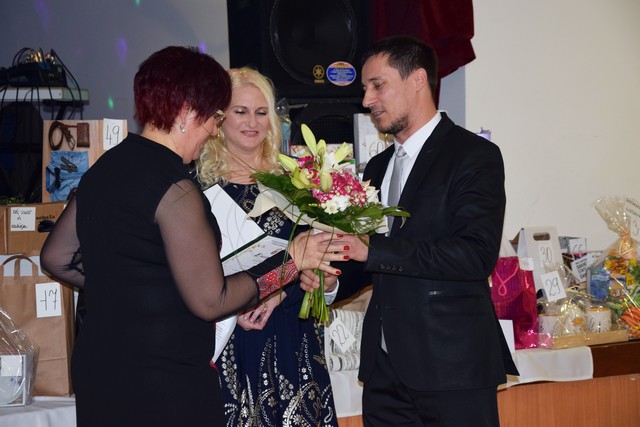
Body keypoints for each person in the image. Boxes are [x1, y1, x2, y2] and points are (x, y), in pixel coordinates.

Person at [39, 47, 342, 427]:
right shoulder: (177, 189)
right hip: (163, 377)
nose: (214, 129)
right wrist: (292, 262)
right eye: (214, 117)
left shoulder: (106, 167)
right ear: (186, 112)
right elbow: (212, 300)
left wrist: (135, 288)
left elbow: (56, 258)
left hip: (100, 368)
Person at [302, 35, 518, 426]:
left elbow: (475, 256)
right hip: (384, 372)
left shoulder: (473, 155)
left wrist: (372, 250)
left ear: (418, 80)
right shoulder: (377, 167)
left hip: (452, 366)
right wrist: (332, 282)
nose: (367, 100)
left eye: (377, 85)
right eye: (365, 88)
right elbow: (375, 261)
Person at [197, 66, 339, 426]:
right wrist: (235, 302)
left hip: (290, 333)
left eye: (261, 112)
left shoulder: (296, 182)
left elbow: (318, 263)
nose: (252, 122)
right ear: (219, 117)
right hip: (229, 338)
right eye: (240, 111)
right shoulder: (196, 189)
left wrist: (282, 291)